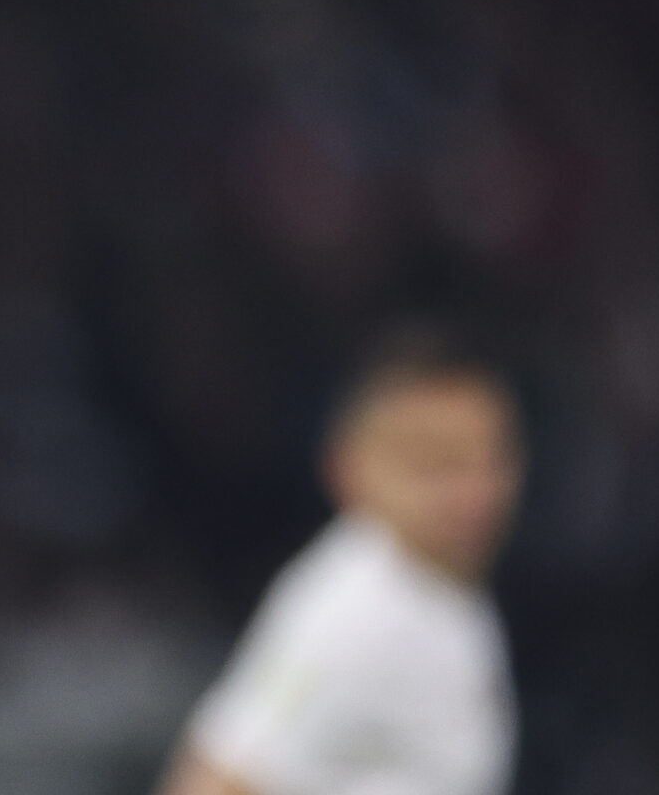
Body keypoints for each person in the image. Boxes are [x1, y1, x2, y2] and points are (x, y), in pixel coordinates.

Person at [155, 331, 525, 795]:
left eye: (491, 459)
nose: (475, 492)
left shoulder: (441, 586)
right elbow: (211, 783)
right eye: (434, 465)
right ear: (346, 468)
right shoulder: (354, 615)